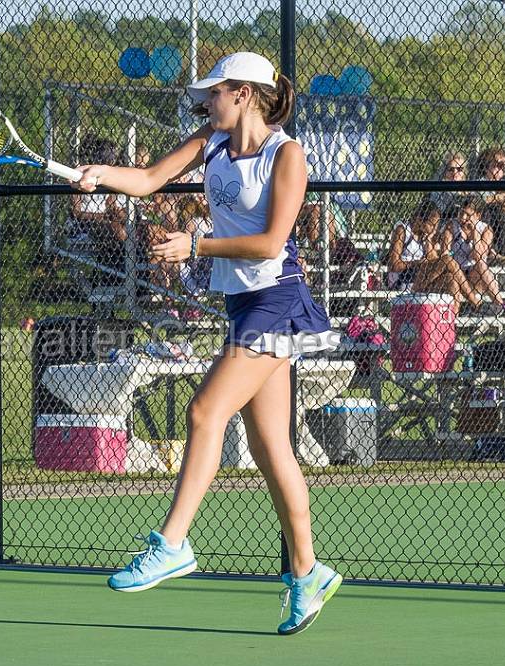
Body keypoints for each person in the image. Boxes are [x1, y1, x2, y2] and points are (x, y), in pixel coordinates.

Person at [72, 51, 342, 635]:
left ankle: (172, 544)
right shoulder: (212, 142)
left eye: (213, 93)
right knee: (271, 445)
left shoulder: (286, 154)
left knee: (204, 411)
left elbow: (272, 243)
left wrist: (196, 246)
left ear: (243, 94)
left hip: (278, 300)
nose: (204, 102)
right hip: (243, 303)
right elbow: (147, 181)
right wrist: (101, 176)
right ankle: (307, 572)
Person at [386, 199, 481, 310]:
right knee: (447, 260)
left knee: (451, 280)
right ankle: (475, 302)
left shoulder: (425, 235)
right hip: (403, 279)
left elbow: (433, 259)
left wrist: (429, 240)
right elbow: (393, 264)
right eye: (432, 225)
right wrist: (416, 263)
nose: (435, 230)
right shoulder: (402, 230)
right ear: (420, 220)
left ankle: (451, 323)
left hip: (422, 278)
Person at [69, 136, 127, 280]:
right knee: (117, 230)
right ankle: (118, 274)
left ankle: (126, 272)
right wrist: (100, 216)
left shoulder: (109, 175)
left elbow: (111, 204)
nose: (112, 159)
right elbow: (76, 212)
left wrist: (119, 212)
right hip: (85, 223)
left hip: (107, 219)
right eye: (109, 155)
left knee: (131, 225)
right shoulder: (80, 174)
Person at [444, 194, 505, 311]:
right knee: (453, 276)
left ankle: (501, 305)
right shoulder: (452, 225)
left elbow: (478, 256)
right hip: (455, 273)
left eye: (468, 215)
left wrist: (475, 232)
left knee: (481, 264)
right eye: (461, 213)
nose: (463, 218)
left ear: (478, 215)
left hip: (475, 276)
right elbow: (445, 253)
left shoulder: (485, 229)